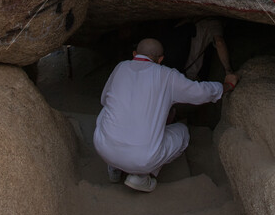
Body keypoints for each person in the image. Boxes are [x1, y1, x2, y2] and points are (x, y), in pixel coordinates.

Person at [93, 38, 227, 193]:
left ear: (135, 54)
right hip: (142, 159)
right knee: (183, 133)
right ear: (161, 59)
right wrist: (225, 86)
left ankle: (114, 167)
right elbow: (201, 92)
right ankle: (140, 177)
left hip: (104, 149)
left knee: (106, 109)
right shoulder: (167, 75)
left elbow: (104, 99)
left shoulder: (120, 67)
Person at [181, 17, 239, 90]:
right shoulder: (214, 23)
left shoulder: (194, 21)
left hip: (177, 70)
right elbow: (219, 42)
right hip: (188, 75)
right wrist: (228, 70)